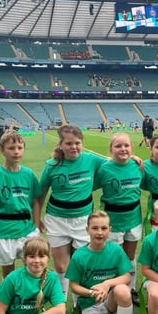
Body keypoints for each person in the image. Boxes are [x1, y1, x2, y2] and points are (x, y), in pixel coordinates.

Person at [38, 125, 106, 300]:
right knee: (61, 267)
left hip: (83, 220)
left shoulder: (91, 160)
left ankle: (78, 304)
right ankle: (61, 304)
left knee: (80, 264)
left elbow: (115, 164)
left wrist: (133, 158)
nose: (73, 147)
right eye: (69, 143)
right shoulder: (52, 165)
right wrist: (35, 217)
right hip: (57, 219)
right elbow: (41, 193)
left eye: (77, 143)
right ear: (61, 144)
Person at [66, 211, 137, 314]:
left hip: (111, 299)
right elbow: (74, 286)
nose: (99, 232)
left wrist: (107, 284)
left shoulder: (116, 250)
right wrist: (92, 293)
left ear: (110, 230)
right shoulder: (79, 255)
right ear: (87, 230)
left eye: (104, 228)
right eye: (95, 228)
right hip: (90, 303)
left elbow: (126, 277)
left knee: (123, 290)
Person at [94, 133, 146, 307]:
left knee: (130, 256)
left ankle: (130, 289)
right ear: (111, 150)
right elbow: (89, 187)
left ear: (131, 148)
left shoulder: (137, 165)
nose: (123, 149)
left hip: (133, 217)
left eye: (126, 146)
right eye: (118, 146)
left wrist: (134, 158)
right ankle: (112, 290)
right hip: (113, 220)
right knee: (114, 257)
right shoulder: (104, 169)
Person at [0, 130, 42, 277]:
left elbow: (35, 201)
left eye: (20, 148)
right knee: (8, 273)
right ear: (2, 150)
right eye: (11, 148)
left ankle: (28, 298)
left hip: (26, 228)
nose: (16, 152)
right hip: (4, 231)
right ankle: (10, 298)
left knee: (33, 268)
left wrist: (35, 224)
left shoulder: (28, 174)